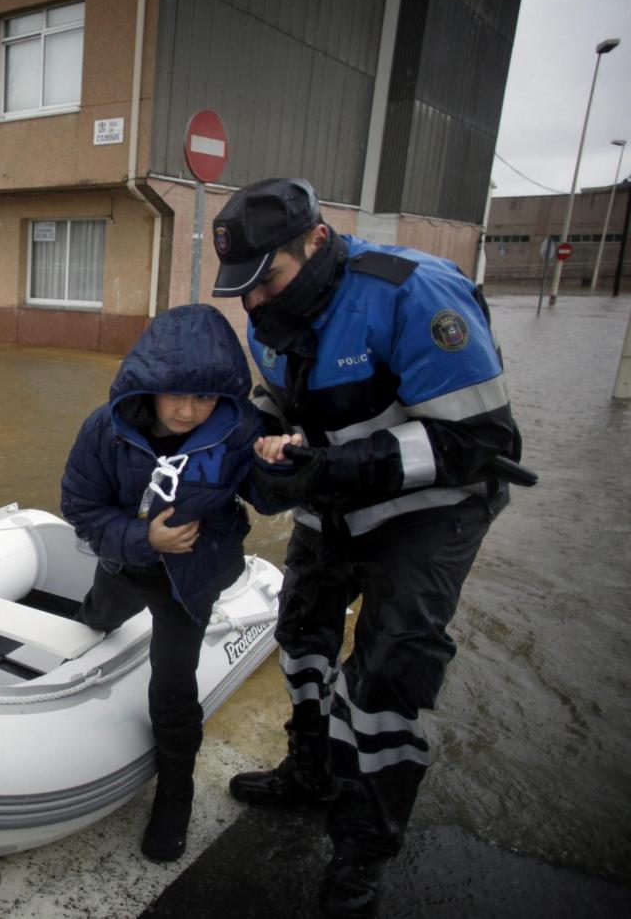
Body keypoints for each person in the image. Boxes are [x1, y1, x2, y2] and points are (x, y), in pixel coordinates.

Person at [210, 178, 522, 917]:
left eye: (269, 281)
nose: (255, 304)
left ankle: (361, 853)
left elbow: (482, 443)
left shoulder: (415, 296)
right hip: (335, 496)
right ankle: (309, 769)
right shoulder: (267, 314)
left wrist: (342, 466)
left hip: (431, 512)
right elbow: (277, 404)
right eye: (243, 289)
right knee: (301, 634)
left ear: (315, 242)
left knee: (384, 679)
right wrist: (264, 452)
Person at [60, 303, 291, 863]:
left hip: (189, 577)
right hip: (125, 563)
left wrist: (277, 464)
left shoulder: (240, 429)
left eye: (206, 397)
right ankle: (94, 618)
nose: (190, 410)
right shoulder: (104, 429)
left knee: (173, 683)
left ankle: (175, 791)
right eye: (176, 395)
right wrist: (145, 541)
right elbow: (79, 506)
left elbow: (266, 499)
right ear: (150, 386)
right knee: (99, 614)